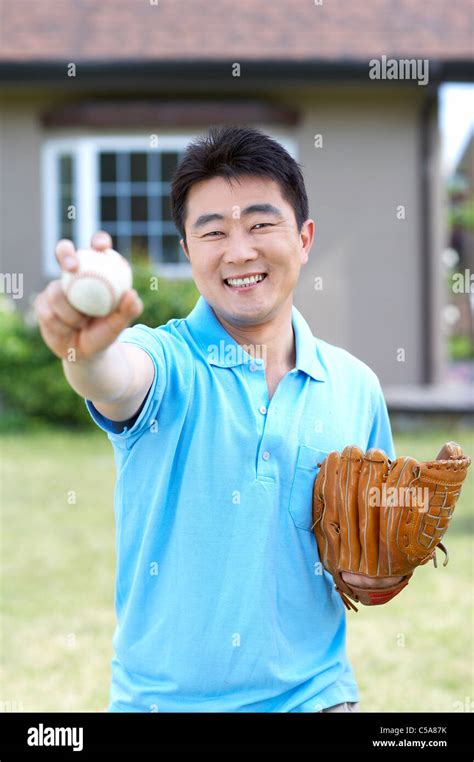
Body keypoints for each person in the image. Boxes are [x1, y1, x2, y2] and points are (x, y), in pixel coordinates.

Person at [35, 125, 400, 713]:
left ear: (304, 238)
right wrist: (86, 349)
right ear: (187, 250)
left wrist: (376, 570)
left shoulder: (357, 387)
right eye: (213, 232)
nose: (239, 251)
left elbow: (371, 556)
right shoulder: (166, 360)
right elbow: (114, 378)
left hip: (316, 698)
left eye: (260, 225)